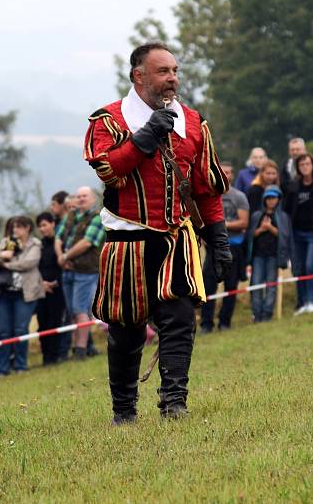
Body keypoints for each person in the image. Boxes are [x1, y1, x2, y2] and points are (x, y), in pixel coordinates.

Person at [83, 42, 230, 423]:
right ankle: (124, 411)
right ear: (139, 75)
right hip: (126, 240)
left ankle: (174, 402)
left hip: (176, 239)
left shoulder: (193, 122)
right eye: (164, 72)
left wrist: (218, 239)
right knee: (127, 330)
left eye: (175, 71)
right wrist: (145, 137)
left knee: (179, 318)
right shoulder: (109, 120)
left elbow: (204, 190)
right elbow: (109, 170)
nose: (173, 79)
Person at [0, 216, 44, 376]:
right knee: (3, 332)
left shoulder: (35, 244)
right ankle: (3, 368)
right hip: (3, 293)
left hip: (24, 293)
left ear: (27, 228)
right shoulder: (6, 242)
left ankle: (21, 366)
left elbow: (28, 263)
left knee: (20, 329)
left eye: (19, 227)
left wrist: (6, 263)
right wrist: (1, 256)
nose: (15, 230)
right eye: (14, 227)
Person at [200, 162, 249, 333]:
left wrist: (220, 225)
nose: (226, 175)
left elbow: (244, 222)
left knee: (231, 286)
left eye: (228, 172)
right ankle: (206, 324)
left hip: (233, 246)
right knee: (208, 287)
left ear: (232, 175)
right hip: (212, 248)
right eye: (223, 172)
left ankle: (225, 322)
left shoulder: (239, 196)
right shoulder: (208, 195)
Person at [56, 186, 103, 360]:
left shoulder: (97, 217)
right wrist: (61, 257)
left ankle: (81, 350)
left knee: (80, 309)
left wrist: (66, 255)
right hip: (67, 270)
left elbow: (87, 242)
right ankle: (84, 346)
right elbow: (58, 237)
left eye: (84, 196)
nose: (81, 199)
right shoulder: (70, 216)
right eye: (78, 196)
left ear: (92, 199)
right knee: (72, 311)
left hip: (86, 271)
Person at [285, 154, 313, 314]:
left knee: (311, 266)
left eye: (307, 163)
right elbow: (287, 210)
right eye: (301, 164)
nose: (305, 166)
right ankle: (302, 302)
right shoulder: (293, 187)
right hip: (296, 233)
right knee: (299, 268)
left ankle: (311, 301)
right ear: (298, 167)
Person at [247, 186, 291, 322]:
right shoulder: (256, 216)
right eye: (268, 198)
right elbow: (250, 236)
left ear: (278, 199)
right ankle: (257, 313)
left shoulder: (283, 217)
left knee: (271, 285)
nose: (271, 201)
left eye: (274, 198)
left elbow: (284, 236)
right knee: (256, 284)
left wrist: (270, 228)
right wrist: (261, 229)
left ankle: (267, 313)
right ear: (264, 200)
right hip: (258, 256)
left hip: (273, 255)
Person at [35, 212, 67, 364]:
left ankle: (56, 355)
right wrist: (42, 283)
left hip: (57, 289)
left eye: (44, 225)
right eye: (40, 226)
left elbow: (63, 265)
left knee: (55, 323)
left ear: (53, 224)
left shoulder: (60, 243)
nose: (42, 229)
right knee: (42, 324)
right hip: (41, 290)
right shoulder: (39, 246)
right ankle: (46, 356)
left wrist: (55, 283)